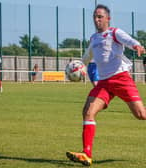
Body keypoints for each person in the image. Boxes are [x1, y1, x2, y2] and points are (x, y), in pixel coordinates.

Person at [66, 4, 146, 166]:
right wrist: (77, 66)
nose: (96, 20)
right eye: (95, 17)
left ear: (108, 19)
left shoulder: (115, 32)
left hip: (121, 79)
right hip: (104, 83)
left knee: (141, 115)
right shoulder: (93, 39)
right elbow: (86, 58)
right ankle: (86, 154)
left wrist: (137, 45)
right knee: (88, 111)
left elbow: (129, 41)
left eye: (100, 17)